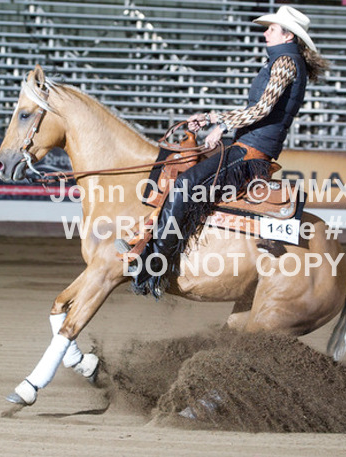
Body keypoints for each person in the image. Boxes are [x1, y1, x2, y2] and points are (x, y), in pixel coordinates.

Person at [118, 5, 330, 298]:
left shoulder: (284, 62)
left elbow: (261, 109)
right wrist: (210, 119)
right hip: (247, 146)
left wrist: (221, 124)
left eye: (271, 28)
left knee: (185, 185)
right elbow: (257, 110)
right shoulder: (284, 61)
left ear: (288, 36)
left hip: (251, 153)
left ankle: (155, 267)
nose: (265, 33)